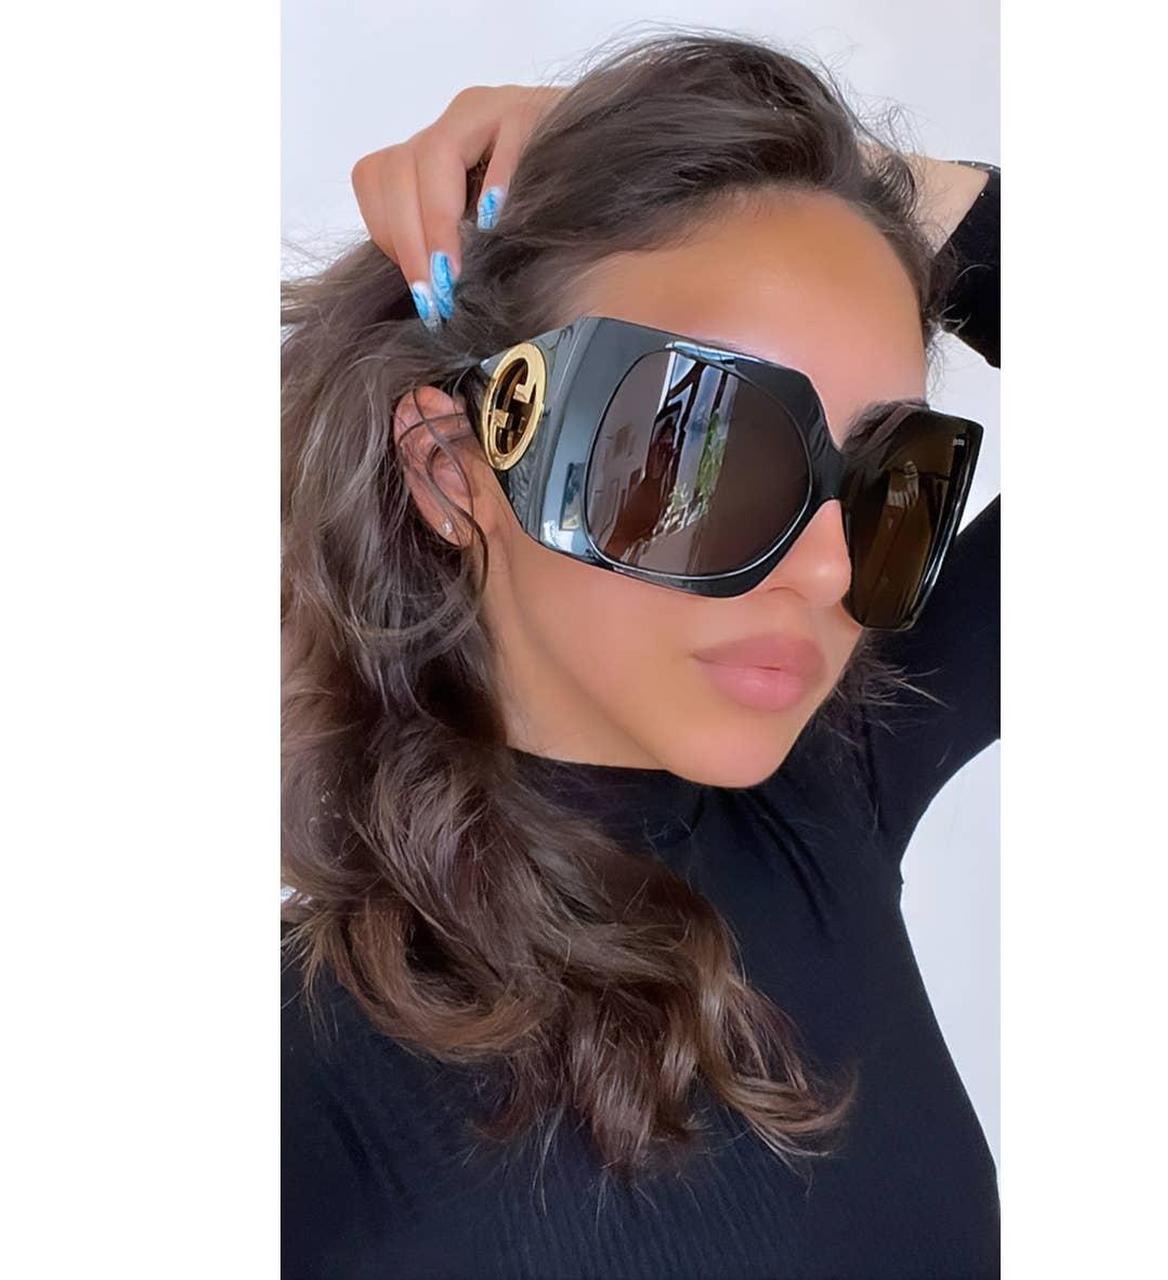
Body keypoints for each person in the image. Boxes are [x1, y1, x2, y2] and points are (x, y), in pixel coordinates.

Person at [282, 31, 1000, 1280]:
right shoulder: (289, 1109)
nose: (827, 570)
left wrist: (864, 185)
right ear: (453, 471)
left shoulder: (828, 789)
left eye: (891, 480)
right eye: (694, 451)